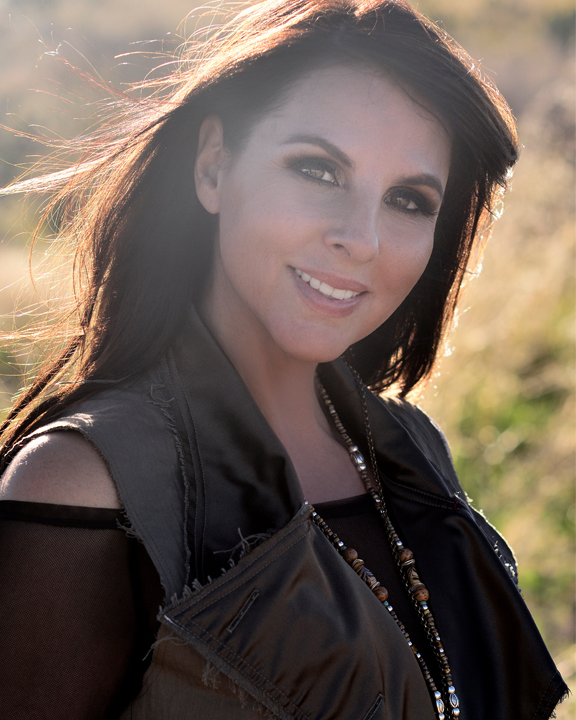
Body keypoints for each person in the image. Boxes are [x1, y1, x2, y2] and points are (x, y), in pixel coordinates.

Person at [0, 0, 568, 718]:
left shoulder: (413, 448)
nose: (361, 239)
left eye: (408, 199)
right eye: (318, 170)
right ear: (214, 166)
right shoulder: (85, 481)